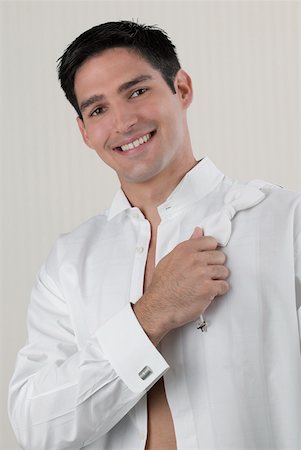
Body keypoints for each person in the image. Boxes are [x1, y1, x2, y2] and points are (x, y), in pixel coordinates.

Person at [8, 20, 301, 450]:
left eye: (137, 91)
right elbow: (39, 428)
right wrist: (151, 315)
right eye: (98, 109)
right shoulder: (69, 263)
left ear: (181, 89)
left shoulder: (284, 222)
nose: (124, 121)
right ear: (85, 132)